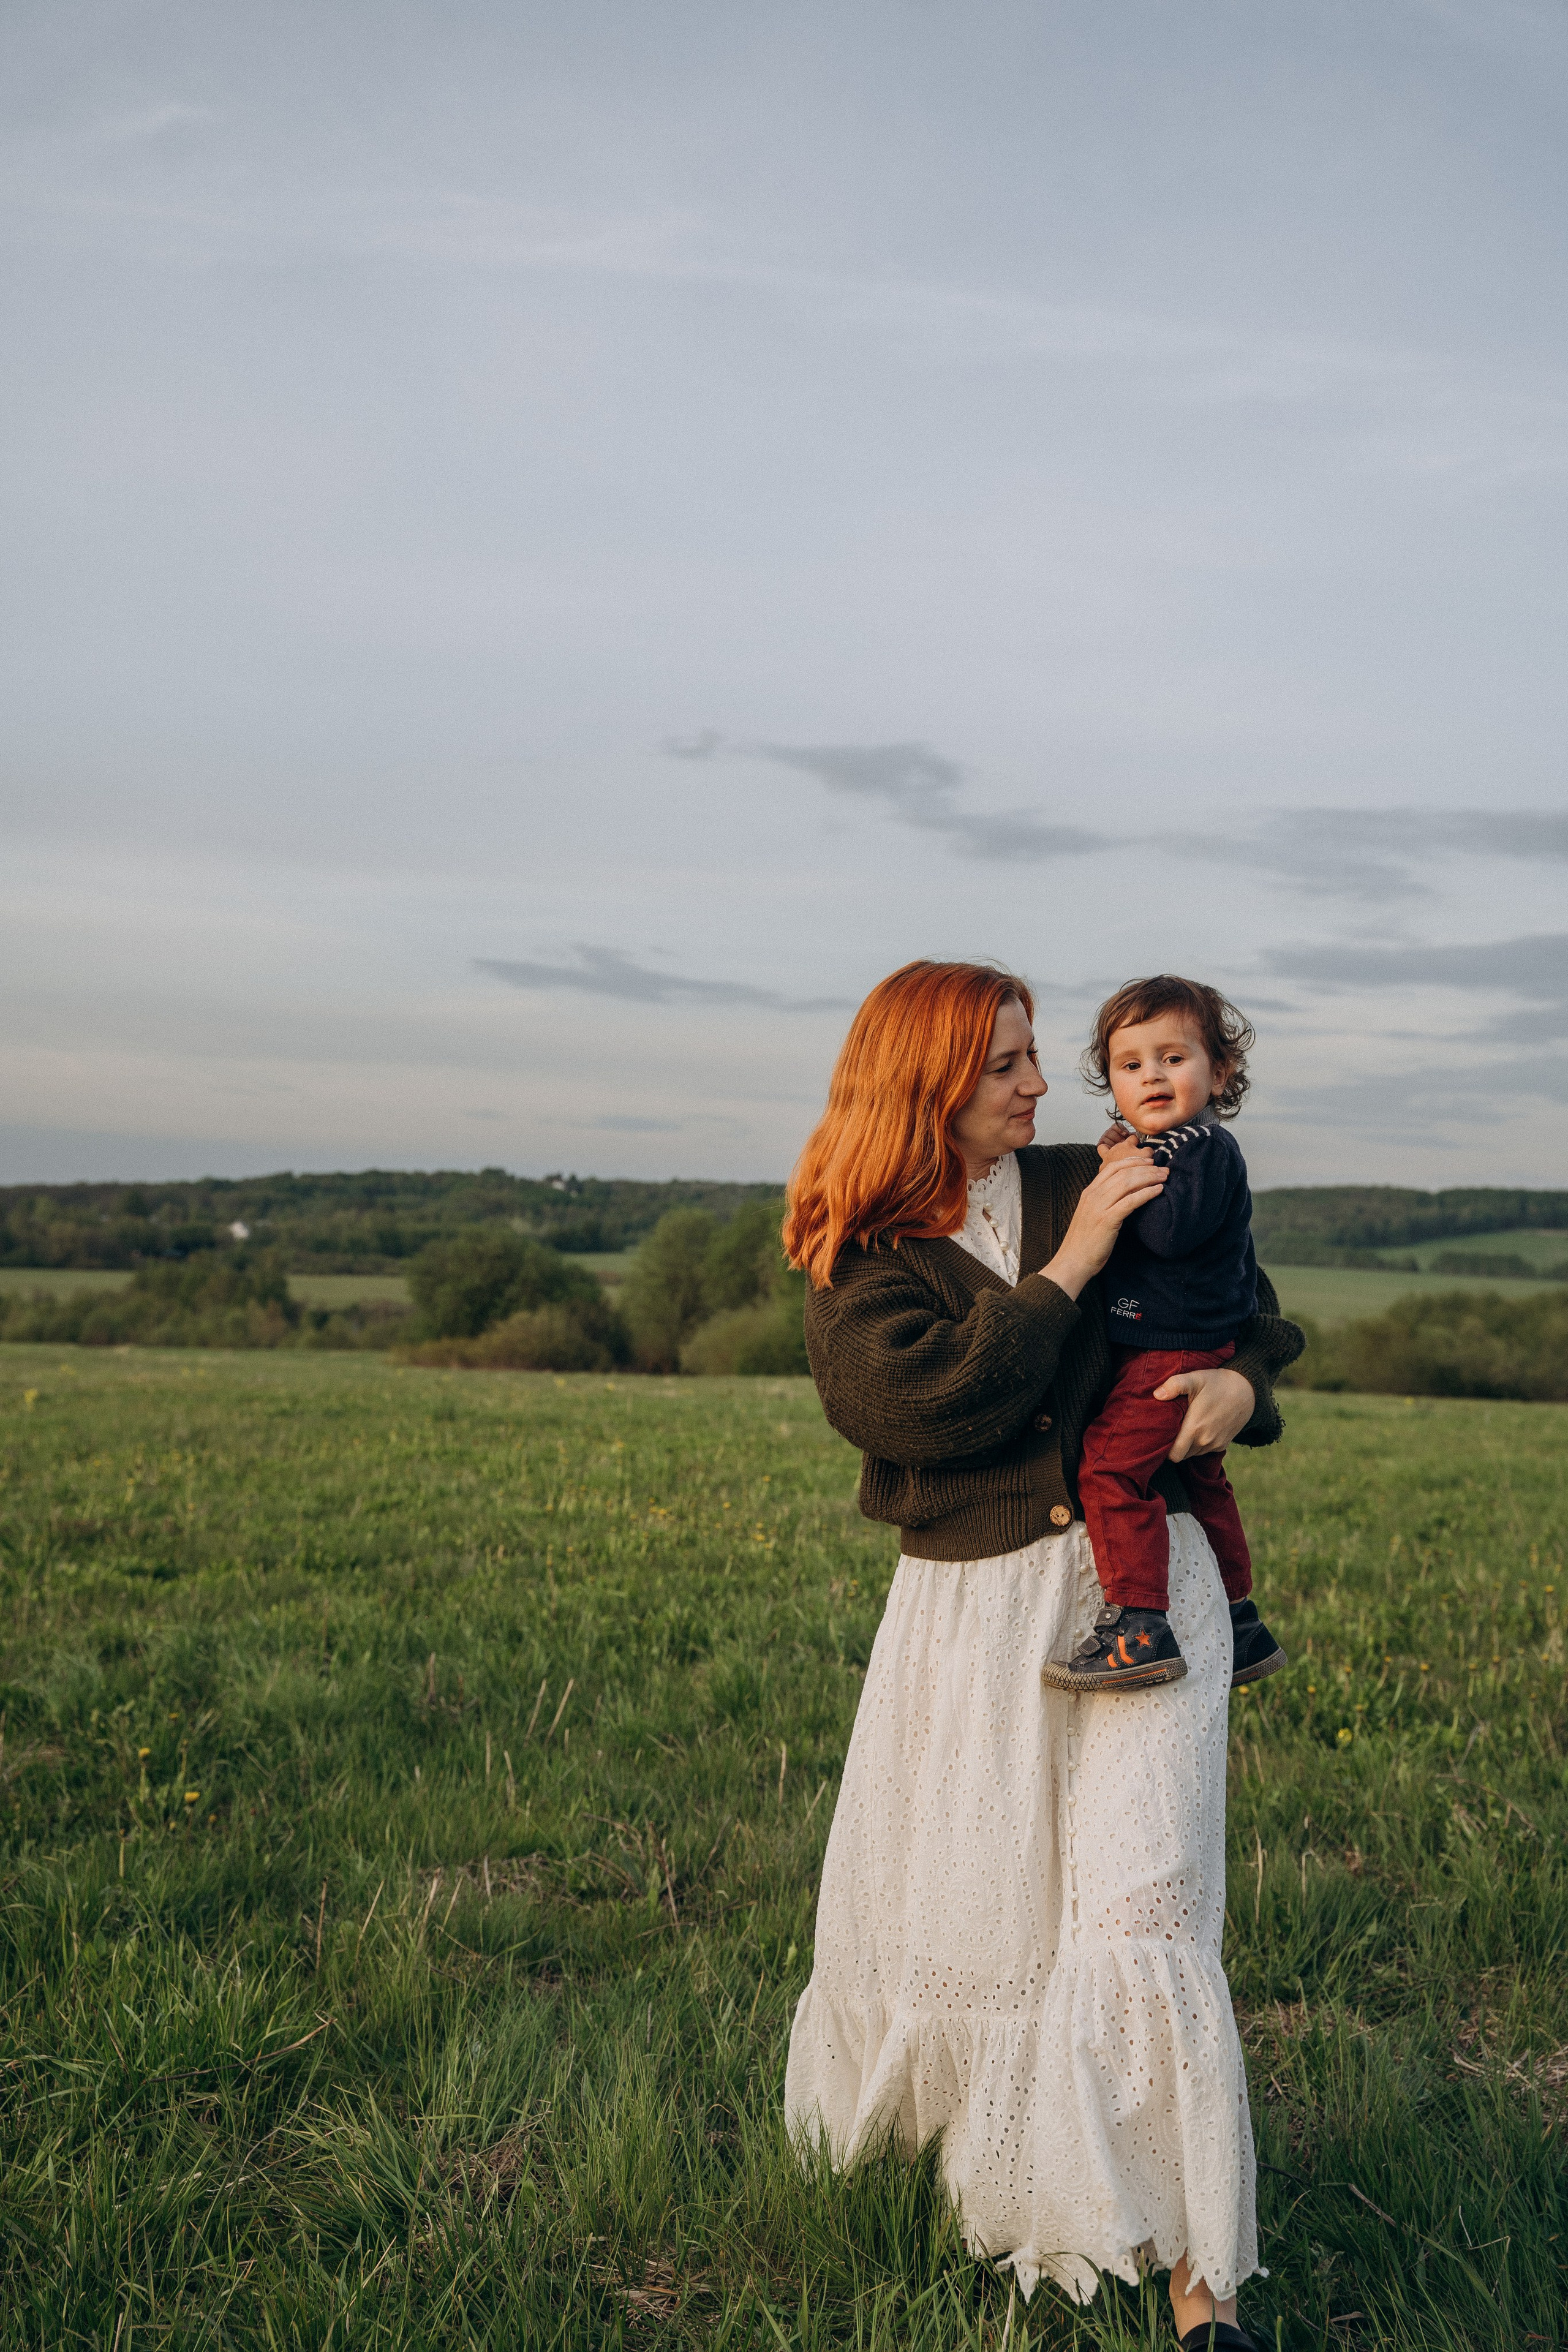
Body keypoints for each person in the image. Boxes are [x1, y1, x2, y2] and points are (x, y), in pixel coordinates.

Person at [782, 959, 1303, 2351]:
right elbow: (923, 1407)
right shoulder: (862, 1254)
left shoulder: (1104, 1165)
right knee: (987, 1911)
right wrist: (1072, 1267)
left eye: (1031, 1057)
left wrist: (1246, 1376)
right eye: (1006, 1064)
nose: (1037, 1083)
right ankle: (1013, 2181)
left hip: (1147, 1590)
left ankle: (1203, 2286)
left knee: (1146, 1902)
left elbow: (1228, 1285)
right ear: (929, 1088)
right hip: (973, 1612)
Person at [1042, 974, 1289, 1694]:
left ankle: (1137, 1626)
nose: (1151, 1074)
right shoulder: (1174, 1144)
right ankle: (1237, 1619)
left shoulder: (1201, 1148)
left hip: (1173, 1352)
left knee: (1110, 1470)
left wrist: (1123, 1170)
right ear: (1111, 1083)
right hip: (1176, 1346)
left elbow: (1170, 1233)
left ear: (1221, 1071)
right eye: (1130, 1064)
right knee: (1201, 1475)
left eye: (1172, 1058)